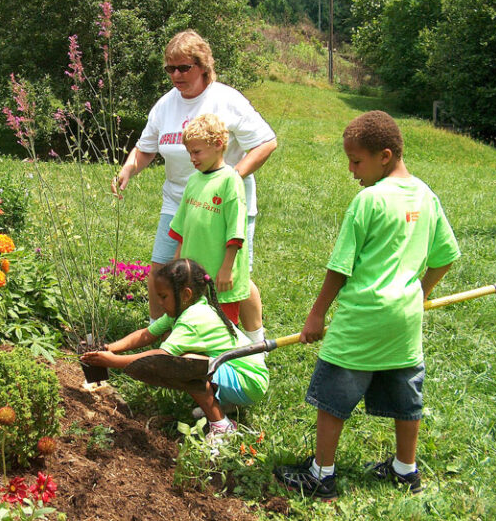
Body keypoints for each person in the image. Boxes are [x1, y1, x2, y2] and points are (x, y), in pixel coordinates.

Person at [273, 111, 460, 500]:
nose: (351, 170)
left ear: (385, 156)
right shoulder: (426, 195)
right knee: (406, 392)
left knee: (333, 398)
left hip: (362, 318)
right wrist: (421, 292)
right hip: (405, 320)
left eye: (357, 161)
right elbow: (445, 255)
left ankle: (321, 474)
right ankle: (405, 470)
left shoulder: (368, 200)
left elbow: (340, 267)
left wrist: (317, 314)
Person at [112, 29, 276, 342]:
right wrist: (129, 168)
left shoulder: (226, 100)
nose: (176, 74)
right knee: (162, 273)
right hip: (179, 204)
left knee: (235, 281)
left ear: (202, 66)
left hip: (224, 209)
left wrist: (229, 178)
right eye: (170, 68)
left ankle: (255, 343)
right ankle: (163, 338)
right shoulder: (165, 105)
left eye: (183, 67)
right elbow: (146, 148)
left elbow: (267, 142)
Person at [81, 258, 269, 443]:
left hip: (249, 381)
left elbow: (161, 358)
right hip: (244, 374)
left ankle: (222, 427)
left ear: (185, 294)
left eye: (163, 296)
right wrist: (109, 348)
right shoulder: (189, 307)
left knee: (185, 365)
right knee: (190, 361)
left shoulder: (192, 320)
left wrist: (112, 361)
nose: (160, 302)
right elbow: (146, 335)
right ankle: (223, 404)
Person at [169, 113, 249, 326]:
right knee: (194, 325)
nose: (192, 158)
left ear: (218, 145)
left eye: (196, 152)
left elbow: (236, 231)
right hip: (192, 277)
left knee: (222, 331)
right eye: (189, 153)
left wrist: (226, 269)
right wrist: (176, 264)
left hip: (220, 278)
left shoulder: (230, 181)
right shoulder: (194, 180)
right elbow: (181, 229)